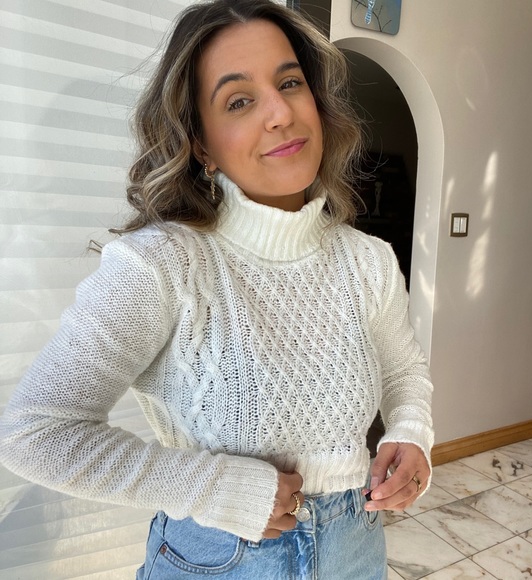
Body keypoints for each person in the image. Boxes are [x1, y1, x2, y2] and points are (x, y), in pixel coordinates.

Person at [0, 1, 434, 578]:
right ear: (201, 143)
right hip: (219, 558)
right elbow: (36, 433)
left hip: (357, 545)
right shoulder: (160, 265)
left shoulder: (369, 261)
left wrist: (411, 433)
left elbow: (404, 372)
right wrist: (212, 486)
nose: (280, 113)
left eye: (290, 83)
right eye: (238, 101)